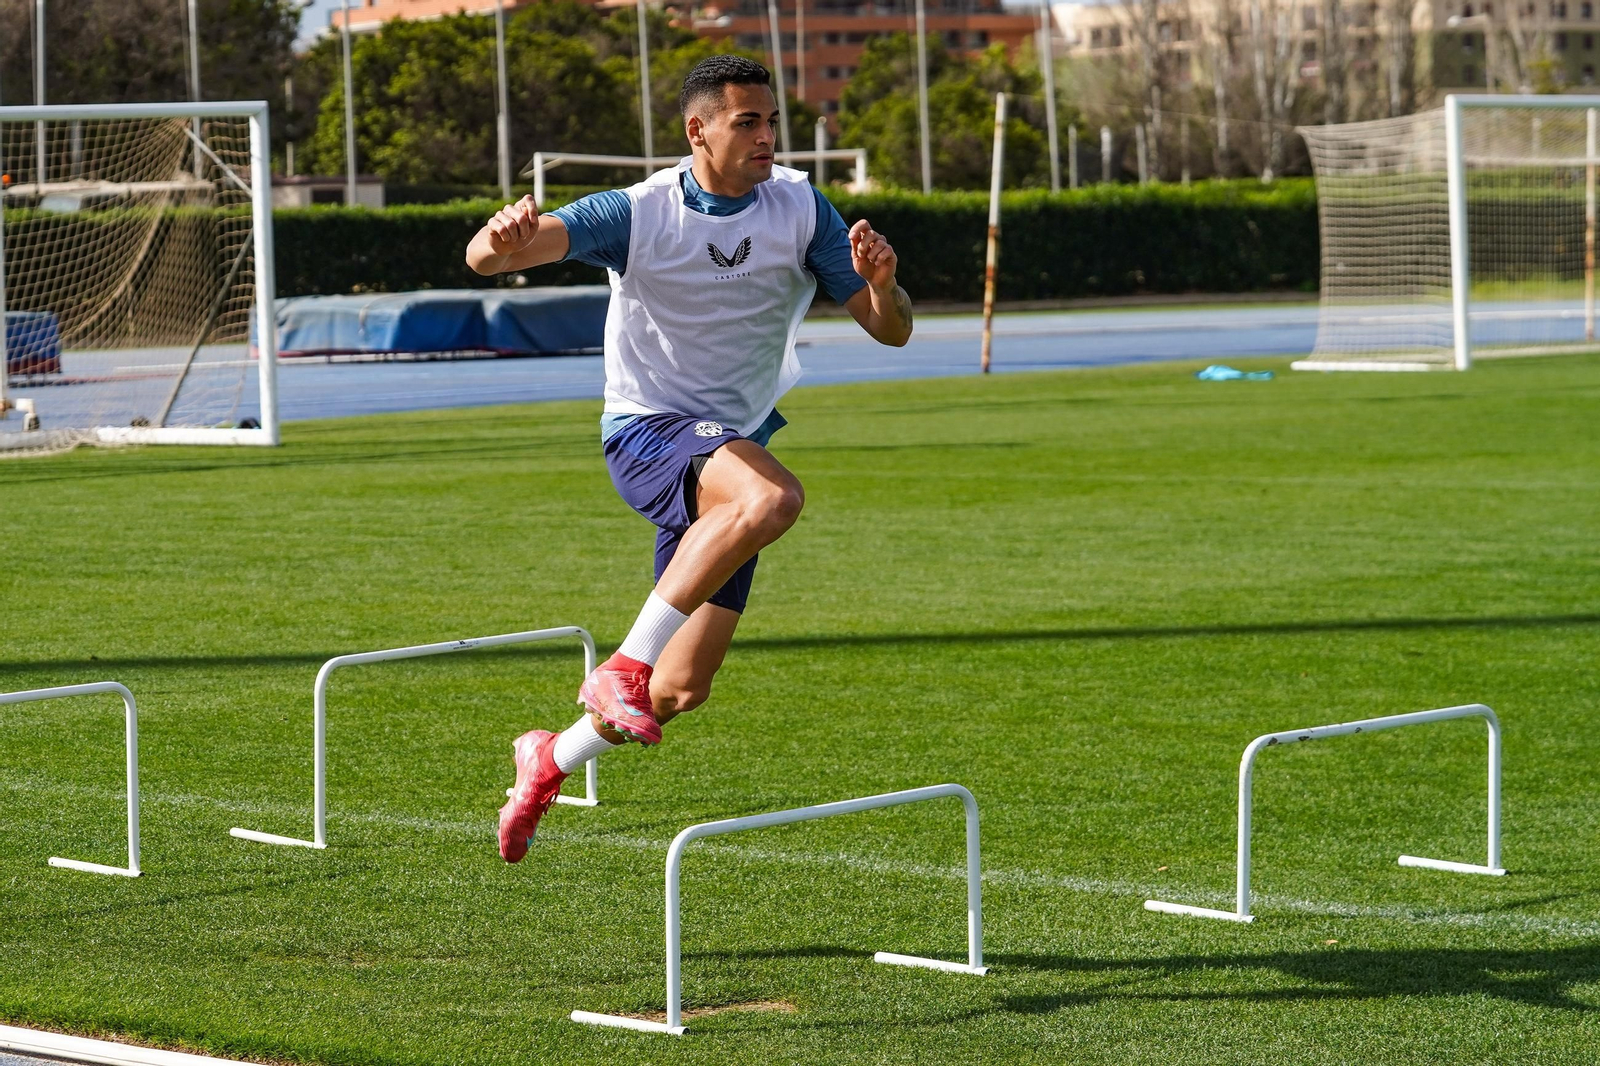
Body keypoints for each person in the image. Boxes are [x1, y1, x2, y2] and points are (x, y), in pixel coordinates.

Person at [465, 54, 913, 863]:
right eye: (748, 122)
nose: (767, 137)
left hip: (728, 455)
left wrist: (882, 285)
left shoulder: (802, 209)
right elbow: (491, 261)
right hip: (647, 431)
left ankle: (548, 758)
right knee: (773, 501)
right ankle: (620, 666)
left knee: (680, 689)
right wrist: (498, 242)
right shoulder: (639, 211)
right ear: (696, 130)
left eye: (772, 121)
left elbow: (892, 328)